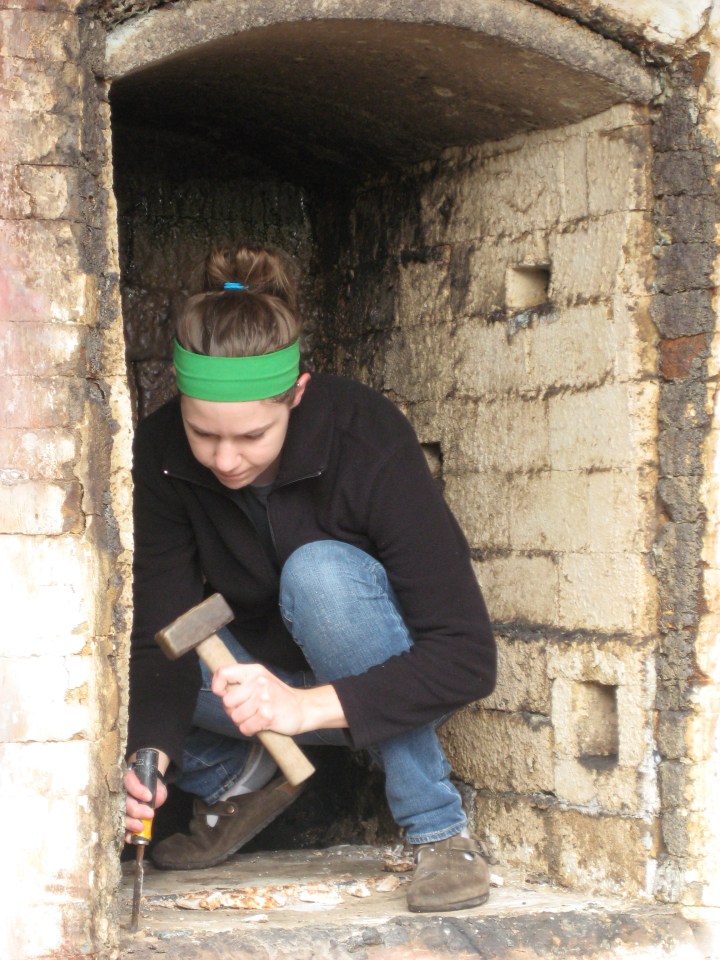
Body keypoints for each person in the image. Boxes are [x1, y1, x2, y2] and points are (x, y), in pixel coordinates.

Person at [124, 242, 496, 913]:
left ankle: (438, 828)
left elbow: (467, 660)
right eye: (204, 435)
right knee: (104, 662)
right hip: (259, 686)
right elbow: (164, 633)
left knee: (319, 574)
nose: (225, 460)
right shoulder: (161, 449)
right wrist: (150, 757)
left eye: (251, 437)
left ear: (296, 393)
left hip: (382, 671)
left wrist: (300, 709)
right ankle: (233, 776)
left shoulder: (364, 432)